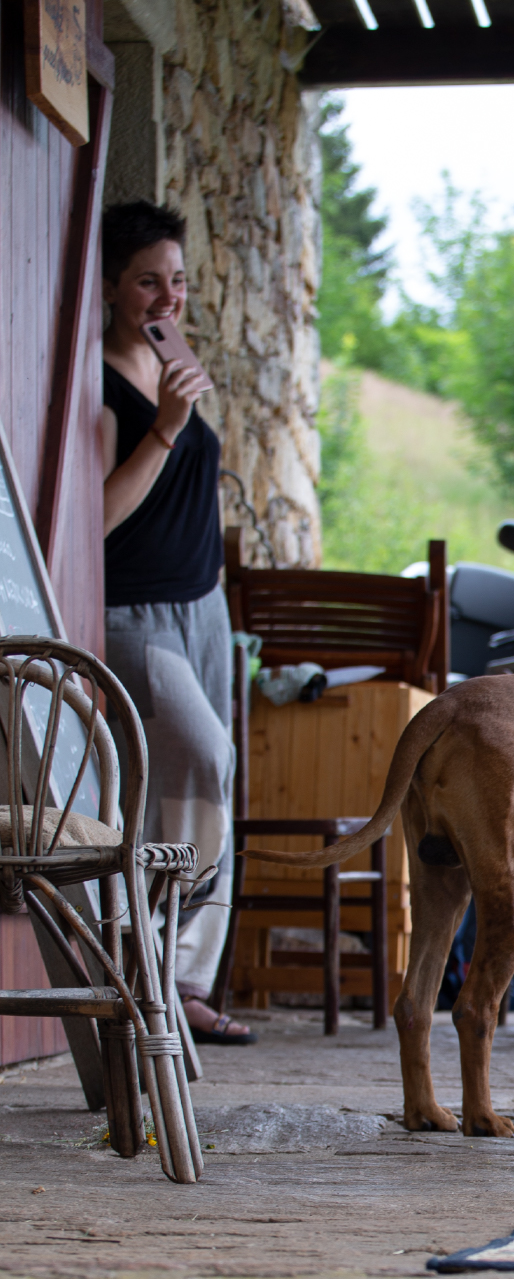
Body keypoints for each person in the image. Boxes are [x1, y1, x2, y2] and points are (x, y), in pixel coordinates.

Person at [101, 202, 251, 1044]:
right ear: (114, 287)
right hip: (131, 610)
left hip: (202, 608)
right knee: (199, 756)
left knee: (205, 784)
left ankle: (184, 978)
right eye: (149, 281)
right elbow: (97, 516)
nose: (167, 297)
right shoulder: (94, 382)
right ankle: (147, 958)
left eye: (178, 280)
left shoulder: (177, 366)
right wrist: (163, 427)